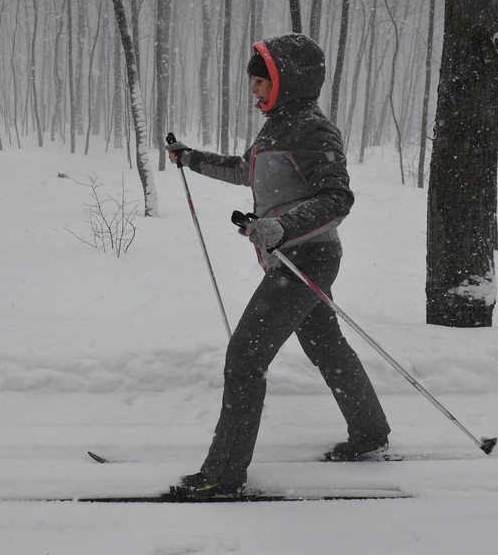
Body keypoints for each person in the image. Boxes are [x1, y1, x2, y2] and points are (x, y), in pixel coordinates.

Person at [165, 33, 390, 499]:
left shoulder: (312, 129)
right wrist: (191, 158)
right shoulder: (276, 128)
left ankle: (224, 475)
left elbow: (337, 197)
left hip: (307, 258)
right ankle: (370, 433)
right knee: (327, 346)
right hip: (288, 258)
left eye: (260, 82)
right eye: (252, 83)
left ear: (286, 81)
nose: (254, 92)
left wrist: (281, 228)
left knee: (244, 358)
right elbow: (240, 170)